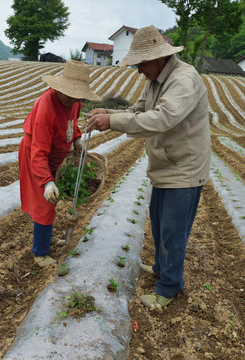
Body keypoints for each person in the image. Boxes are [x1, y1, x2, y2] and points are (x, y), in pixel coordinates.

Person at [87, 25, 211, 310]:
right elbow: (140, 110)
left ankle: (169, 286)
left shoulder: (184, 79)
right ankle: (160, 267)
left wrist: (114, 123)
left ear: (158, 58)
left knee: (173, 230)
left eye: (141, 64)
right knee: (158, 221)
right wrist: (112, 113)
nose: (139, 71)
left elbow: (163, 119)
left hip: (185, 167)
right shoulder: (155, 79)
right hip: (166, 164)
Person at [19, 60, 101, 268]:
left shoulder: (73, 102)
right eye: (72, 93)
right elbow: (38, 152)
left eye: (79, 95)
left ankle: (45, 237)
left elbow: (72, 123)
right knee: (44, 201)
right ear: (60, 88)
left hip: (55, 156)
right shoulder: (45, 106)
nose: (76, 98)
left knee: (53, 201)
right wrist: (47, 181)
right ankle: (40, 252)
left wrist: (76, 140)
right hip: (36, 155)